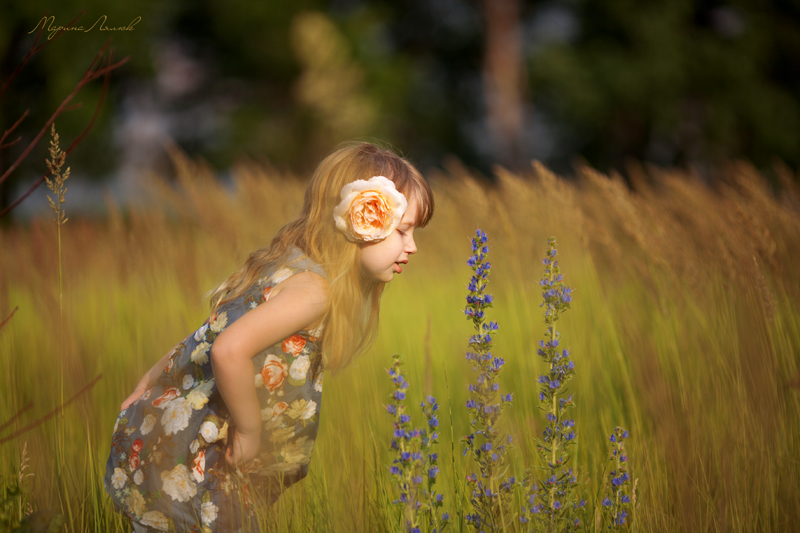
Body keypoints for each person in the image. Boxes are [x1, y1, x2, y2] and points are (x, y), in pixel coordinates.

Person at [103, 141, 434, 532]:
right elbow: (227, 349)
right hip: (203, 463)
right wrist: (250, 431)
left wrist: (150, 381)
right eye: (402, 231)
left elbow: (209, 333)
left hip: (177, 448)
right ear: (362, 222)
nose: (411, 247)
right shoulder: (314, 292)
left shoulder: (289, 267)